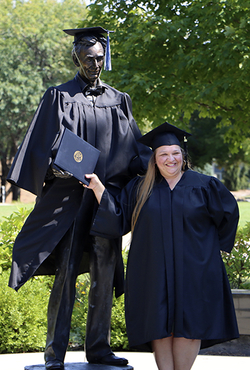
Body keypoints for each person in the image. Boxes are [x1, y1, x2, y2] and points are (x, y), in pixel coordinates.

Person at [7, 26, 151, 370]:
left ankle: (99, 349)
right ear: (76, 57)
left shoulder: (119, 99)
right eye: (88, 58)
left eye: (100, 58)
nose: (95, 64)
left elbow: (134, 150)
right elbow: (40, 148)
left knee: (104, 270)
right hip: (70, 201)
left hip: (105, 199)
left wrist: (159, 163)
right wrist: (61, 171)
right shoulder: (58, 96)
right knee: (67, 272)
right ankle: (54, 353)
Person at [84, 122, 239, 370]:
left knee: (189, 326)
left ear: (183, 155)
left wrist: (208, 251)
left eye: (175, 152)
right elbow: (117, 217)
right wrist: (98, 188)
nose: (170, 159)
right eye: (163, 154)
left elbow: (229, 215)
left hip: (195, 271)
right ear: (154, 159)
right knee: (159, 326)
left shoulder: (205, 186)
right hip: (152, 271)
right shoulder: (139, 188)